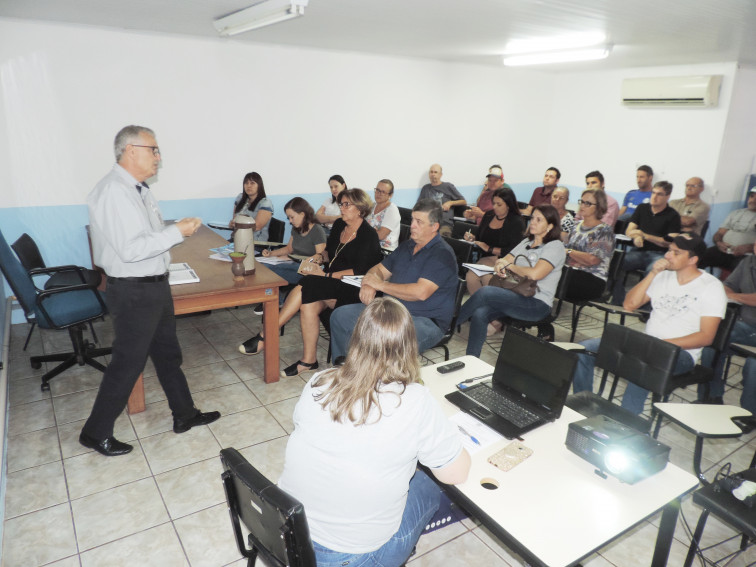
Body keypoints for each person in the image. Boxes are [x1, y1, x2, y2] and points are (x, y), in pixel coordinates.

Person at [278, 297, 470, 567]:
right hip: (354, 557)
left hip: (289, 536)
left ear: (356, 338)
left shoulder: (319, 381)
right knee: (430, 482)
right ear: (409, 346)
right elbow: (456, 474)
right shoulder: (416, 400)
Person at [81, 125, 219, 457]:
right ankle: (95, 432)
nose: (159, 156)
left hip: (153, 287)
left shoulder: (138, 189)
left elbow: (150, 235)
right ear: (130, 150)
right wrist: (178, 232)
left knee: (168, 355)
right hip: (134, 290)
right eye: (153, 149)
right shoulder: (115, 191)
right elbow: (131, 249)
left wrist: (173, 231)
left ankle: (184, 414)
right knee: (128, 363)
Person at [573, 234, 726, 415]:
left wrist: (662, 345)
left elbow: (706, 337)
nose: (668, 256)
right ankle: (583, 409)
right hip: (647, 344)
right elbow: (629, 305)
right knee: (583, 350)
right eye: (669, 250)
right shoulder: (663, 277)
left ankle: (627, 425)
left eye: (676, 253)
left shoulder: (711, 287)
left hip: (680, 353)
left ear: (693, 259)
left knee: (643, 366)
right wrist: (653, 274)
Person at [239, 189, 382, 376]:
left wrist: (325, 276)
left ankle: (265, 335)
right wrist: (316, 258)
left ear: (360, 209)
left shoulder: (368, 235)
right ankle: (308, 361)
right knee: (308, 304)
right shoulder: (339, 225)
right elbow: (328, 253)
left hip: (354, 287)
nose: (342, 208)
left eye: (347, 204)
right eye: (341, 204)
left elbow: (359, 271)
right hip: (331, 283)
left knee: (309, 283)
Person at [329, 199, 458, 362]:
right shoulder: (407, 246)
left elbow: (420, 292)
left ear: (434, 227)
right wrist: (370, 283)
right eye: (412, 220)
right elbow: (378, 269)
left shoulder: (442, 254)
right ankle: (347, 368)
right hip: (391, 311)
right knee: (340, 316)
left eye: (419, 222)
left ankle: (375, 380)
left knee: (384, 339)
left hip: (424, 320)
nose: (412, 226)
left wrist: (380, 285)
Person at [457, 205, 566, 358]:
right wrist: (501, 265)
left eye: (538, 220)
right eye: (532, 218)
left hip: (537, 304)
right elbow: (504, 260)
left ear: (550, 226)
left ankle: (449, 324)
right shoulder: (526, 242)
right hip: (515, 295)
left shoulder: (555, 246)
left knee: (486, 292)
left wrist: (510, 266)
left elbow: (535, 274)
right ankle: (471, 358)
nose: (532, 222)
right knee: (481, 313)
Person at [701, 240, 756, 407]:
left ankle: (749, 413)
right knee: (712, 339)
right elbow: (727, 285)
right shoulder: (748, 262)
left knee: (753, 363)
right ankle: (711, 396)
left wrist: (736, 297)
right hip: (745, 323)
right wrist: (735, 295)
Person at [611, 181, 681, 305]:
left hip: (659, 254)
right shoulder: (642, 208)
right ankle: (618, 299)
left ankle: (645, 306)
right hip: (637, 251)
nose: (654, 196)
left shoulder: (673, 215)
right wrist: (638, 236)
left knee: (654, 270)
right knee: (616, 261)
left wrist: (644, 235)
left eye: (659, 194)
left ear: (667, 196)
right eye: (653, 193)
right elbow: (629, 230)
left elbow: (667, 242)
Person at [463, 187, 526, 295]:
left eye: (499, 204)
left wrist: (489, 248)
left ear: (508, 205)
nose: (495, 207)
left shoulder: (516, 222)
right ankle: (479, 306)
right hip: (486, 259)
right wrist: (472, 238)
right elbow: (480, 238)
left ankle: (487, 306)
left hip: (505, 261)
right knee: (470, 277)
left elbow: (513, 251)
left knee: (488, 280)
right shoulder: (488, 215)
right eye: (494, 203)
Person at [259, 197, 327, 287]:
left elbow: (320, 259)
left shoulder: (317, 230)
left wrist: (298, 260)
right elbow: (289, 249)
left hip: (306, 270)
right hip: (294, 264)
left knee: (269, 271)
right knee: (262, 266)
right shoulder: (296, 228)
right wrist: (271, 253)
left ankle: (277, 300)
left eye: (292, 217)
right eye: (289, 218)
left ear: (302, 214)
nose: (290, 221)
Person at [700, 189, 756, 272]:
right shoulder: (735, 213)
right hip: (724, 250)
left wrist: (749, 248)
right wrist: (719, 243)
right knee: (700, 258)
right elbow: (719, 234)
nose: (753, 200)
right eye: (752, 196)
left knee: (742, 271)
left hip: (746, 255)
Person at [417, 164, 466, 236]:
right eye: (431, 172)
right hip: (428, 224)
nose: (433, 174)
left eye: (435, 172)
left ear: (440, 174)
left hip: (444, 224)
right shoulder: (425, 188)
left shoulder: (448, 186)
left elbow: (463, 201)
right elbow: (418, 206)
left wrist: (450, 203)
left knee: (441, 240)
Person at [231, 172, 273, 242]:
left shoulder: (265, 203)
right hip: (237, 239)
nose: (249, 186)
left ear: (259, 185)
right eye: (246, 183)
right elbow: (234, 220)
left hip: (254, 243)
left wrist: (237, 224)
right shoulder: (240, 198)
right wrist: (231, 224)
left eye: (252, 183)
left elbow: (257, 226)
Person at [368, 179, 402, 250]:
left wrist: (367, 230)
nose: (379, 193)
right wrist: (373, 230)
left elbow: (380, 236)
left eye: (383, 192)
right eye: (377, 190)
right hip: (370, 247)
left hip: (384, 251)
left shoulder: (392, 210)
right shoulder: (371, 206)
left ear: (390, 195)